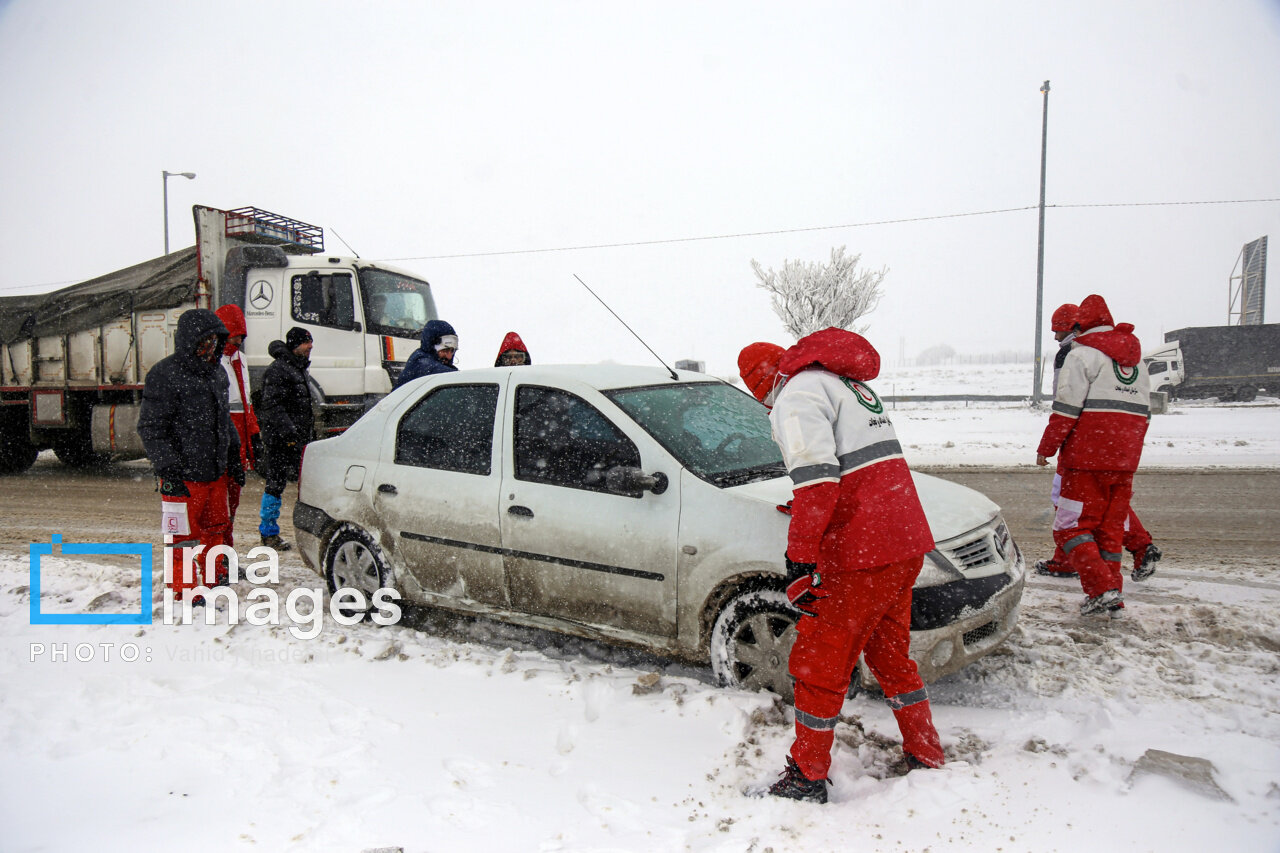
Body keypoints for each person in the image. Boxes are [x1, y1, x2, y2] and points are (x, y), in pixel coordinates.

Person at [739, 328, 945, 804]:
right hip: (903, 541)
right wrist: (815, 509)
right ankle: (926, 752)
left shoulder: (795, 395)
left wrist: (800, 557)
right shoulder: (849, 386)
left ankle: (807, 777)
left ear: (762, 385)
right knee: (893, 659)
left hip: (861, 554)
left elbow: (818, 484)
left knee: (818, 665)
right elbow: (860, 470)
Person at [1036, 294, 1151, 616]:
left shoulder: (1081, 355)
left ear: (1080, 324)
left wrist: (1047, 448)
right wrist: (1126, 453)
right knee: (1109, 532)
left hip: (1085, 460)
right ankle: (1113, 591)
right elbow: (1146, 415)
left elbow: (1066, 411)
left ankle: (1101, 589)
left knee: (1069, 527)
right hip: (1125, 461)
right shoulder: (1137, 363)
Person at [137, 308, 242, 599]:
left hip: (215, 472)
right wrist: (167, 466)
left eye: (214, 341)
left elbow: (224, 420)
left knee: (216, 529)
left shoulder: (218, 373)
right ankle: (184, 591)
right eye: (204, 341)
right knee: (183, 538)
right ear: (189, 341)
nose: (210, 347)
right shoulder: (164, 374)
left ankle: (213, 581)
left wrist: (233, 456)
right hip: (183, 476)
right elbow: (150, 427)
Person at [257, 327, 315, 551]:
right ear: (294, 345)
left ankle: (307, 532)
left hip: (297, 439)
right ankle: (268, 532)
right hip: (281, 441)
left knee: (304, 485)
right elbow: (273, 408)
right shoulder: (279, 370)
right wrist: (290, 435)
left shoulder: (298, 368)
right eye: (306, 343)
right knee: (275, 485)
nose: (310, 347)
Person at [214, 304, 261, 545]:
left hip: (240, 435)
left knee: (232, 503)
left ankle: (226, 555)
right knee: (218, 507)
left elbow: (247, 402)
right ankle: (217, 559)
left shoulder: (240, 359)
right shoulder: (213, 362)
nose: (238, 341)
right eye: (234, 336)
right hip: (224, 437)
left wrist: (254, 437)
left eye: (241, 336)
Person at [395, 319, 458, 387]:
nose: (449, 356)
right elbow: (440, 372)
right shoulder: (421, 363)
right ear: (431, 347)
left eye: (452, 351)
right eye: (445, 350)